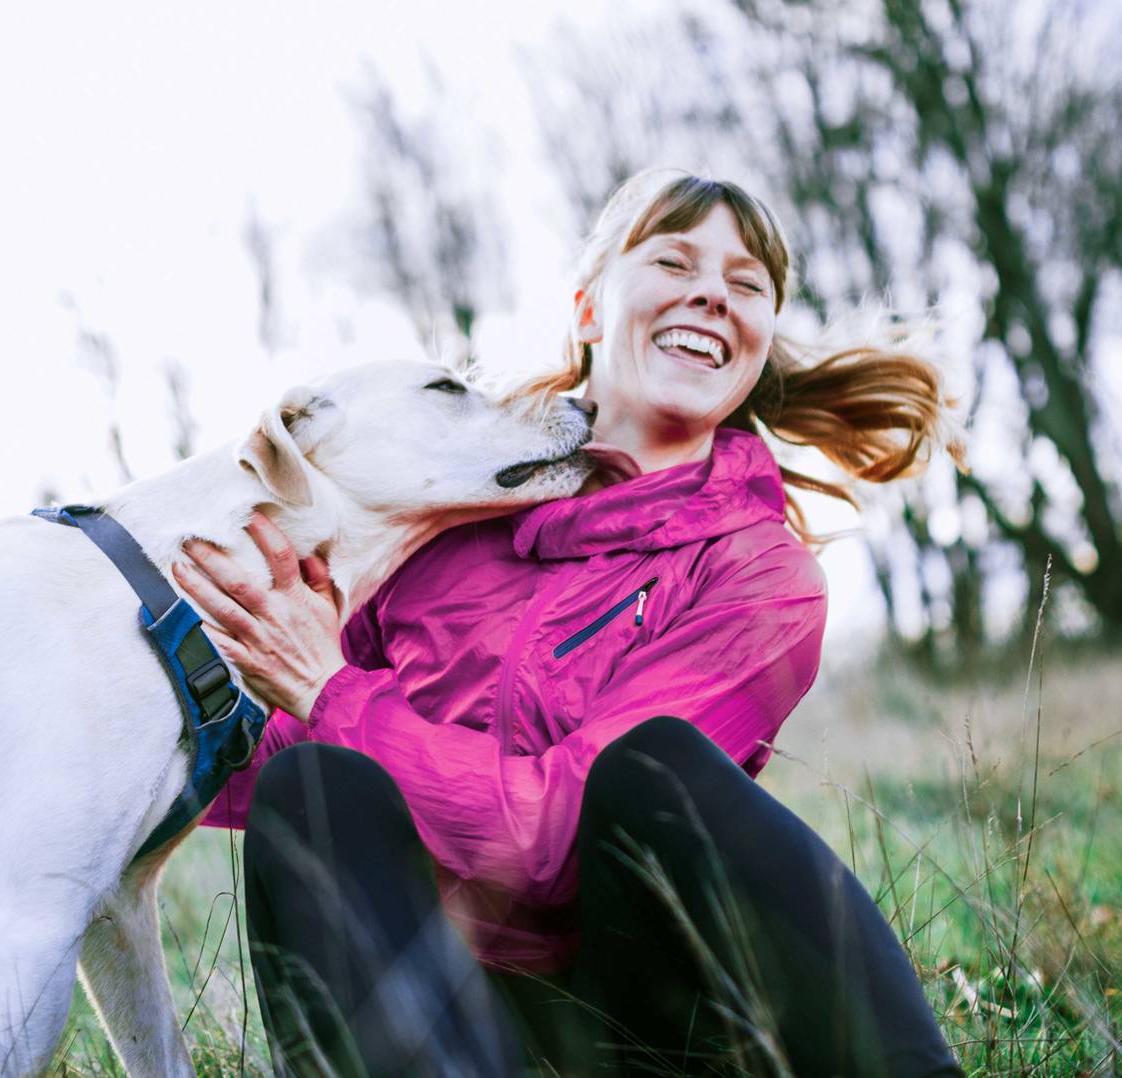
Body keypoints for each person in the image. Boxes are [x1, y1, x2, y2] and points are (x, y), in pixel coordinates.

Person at [172, 169, 966, 1077]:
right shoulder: (443, 522)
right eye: (674, 260)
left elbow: (544, 844)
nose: (713, 291)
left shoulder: (760, 577)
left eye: (747, 285)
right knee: (312, 787)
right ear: (589, 310)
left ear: (755, 343)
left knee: (653, 767)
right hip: (447, 1024)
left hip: (651, 1028)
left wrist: (331, 693)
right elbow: (244, 752)